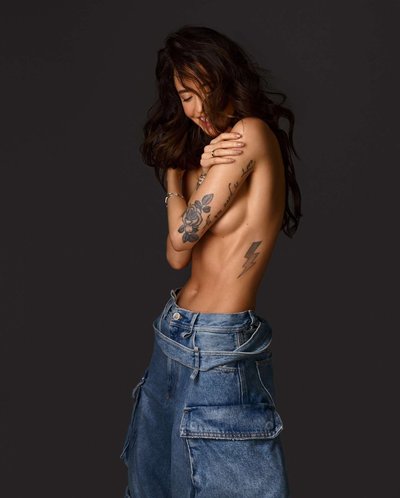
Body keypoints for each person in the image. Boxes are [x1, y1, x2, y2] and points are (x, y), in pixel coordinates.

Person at [120, 25, 302, 498]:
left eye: (204, 89)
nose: (197, 107)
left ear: (227, 80)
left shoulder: (249, 135)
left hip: (219, 347)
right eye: (185, 97)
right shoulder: (208, 156)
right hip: (173, 333)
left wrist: (178, 178)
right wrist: (180, 173)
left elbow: (183, 235)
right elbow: (176, 257)